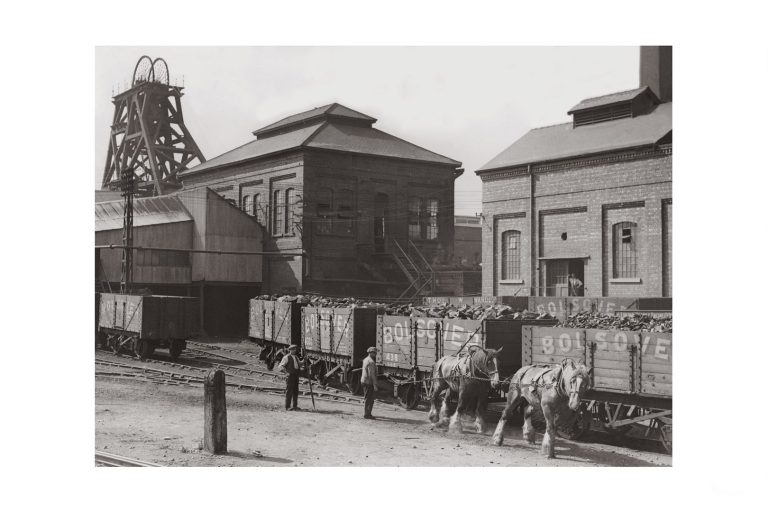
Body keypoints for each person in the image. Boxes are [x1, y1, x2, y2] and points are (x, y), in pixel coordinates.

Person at [278, 345, 303, 411]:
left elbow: (299, 364)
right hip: (290, 376)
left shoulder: (296, 357)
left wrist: (304, 360)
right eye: (293, 349)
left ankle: (295, 406)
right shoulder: (286, 357)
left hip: (296, 376)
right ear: (290, 350)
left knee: (295, 391)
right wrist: (286, 372)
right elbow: (280, 366)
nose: (295, 350)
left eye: (295, 349)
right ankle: (287, 406)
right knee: (289, 391)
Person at [361, 346, 379, 419]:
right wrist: (375, 385)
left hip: (364, 381)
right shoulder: (371, 362)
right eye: (374, 353)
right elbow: (371, 374)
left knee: (368, 398)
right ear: (371, 353)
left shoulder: (366, 359)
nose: (375, 354)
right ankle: (367, 414)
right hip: (369, 382)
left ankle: (367, 413)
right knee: (369, 399)